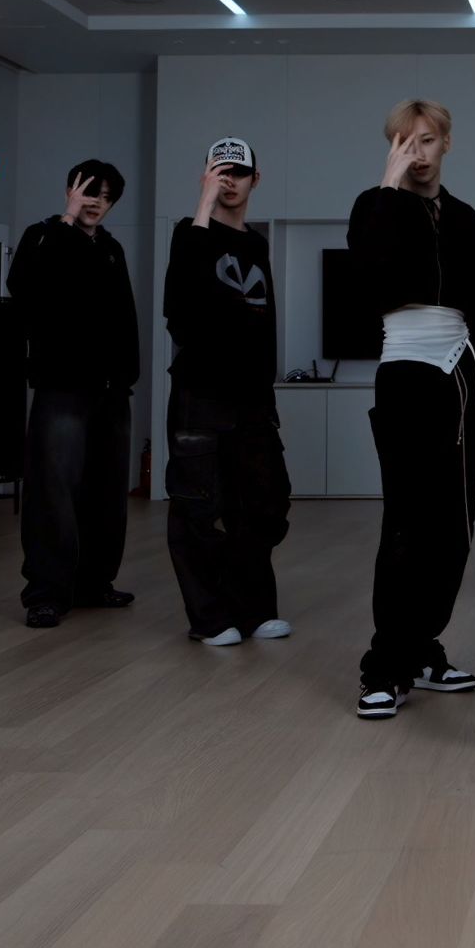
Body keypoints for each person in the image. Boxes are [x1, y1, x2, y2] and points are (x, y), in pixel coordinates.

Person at [348, 100, 475, 721]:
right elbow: (367, 276)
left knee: (455, 525)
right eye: (404, 143)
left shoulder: (466, 219)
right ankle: (385, 667)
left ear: (446, 143)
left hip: (463, 373)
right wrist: (388, 183)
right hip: (405, 372)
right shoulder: (374, 206)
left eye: (427, 141)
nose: (417, 153)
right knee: (406, 523)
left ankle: (424, 648)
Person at [162, 137, 294, 646]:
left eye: (237, 173)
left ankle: (255, 610)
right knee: (197, 507)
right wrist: (203, 206)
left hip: (252, 398)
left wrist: (268, 391)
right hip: (200, 394)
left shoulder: (256, 244)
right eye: (219, 173)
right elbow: (177, 305)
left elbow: (266, 322)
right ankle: (210, 618)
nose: (229, 181)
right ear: (206, 177)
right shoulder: (189, 233)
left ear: (255, 179)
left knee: (262, 505)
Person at [9, 160, 140, 629]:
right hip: (60, 387)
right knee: (52, 490)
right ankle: (46, 594)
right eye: (88, 191)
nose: (96, 202)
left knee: (106, 492)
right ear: (71, 190)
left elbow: (124, 314)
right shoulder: (44, 237)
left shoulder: (111, 249)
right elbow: (24, 287)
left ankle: (93, 583)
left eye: (105, 196)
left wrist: (126, 376)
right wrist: (65, 221)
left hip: (110, 390)